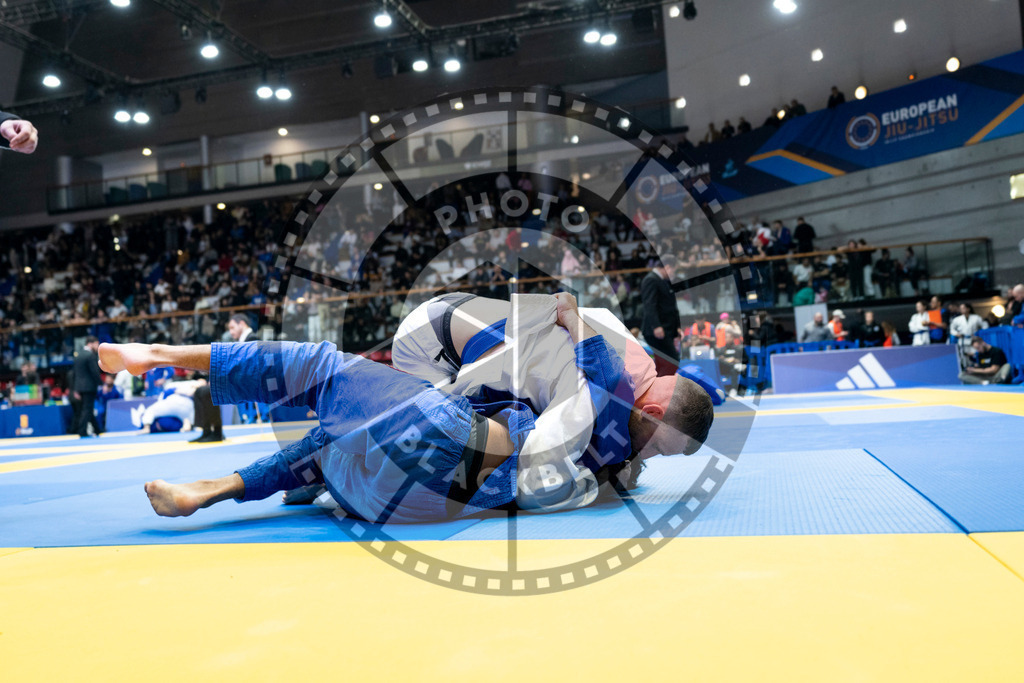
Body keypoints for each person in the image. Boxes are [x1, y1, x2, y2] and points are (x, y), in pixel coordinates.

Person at [99, 295, 712, 522]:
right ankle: (217, 487)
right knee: (340, 440)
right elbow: (612, 455)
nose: (649, 453)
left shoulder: (609, 398)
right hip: (391, 504)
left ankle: (161, 353)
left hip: (442, 442)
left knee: (319, 368)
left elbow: (601, 366)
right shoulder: (611, 468)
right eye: (658, 448)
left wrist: (573, 315)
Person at [640, 255, 682, 368]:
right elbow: (650, 304)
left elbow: (670, 306)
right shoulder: (651, 280)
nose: (674, 273)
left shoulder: (662, 281)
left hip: (665, 329)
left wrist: (676, 327)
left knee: (670, 362)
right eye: (674, 270)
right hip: (656, 331)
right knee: (671, 362)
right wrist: (656, 326)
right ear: (668, 267)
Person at [72, 335, 103, 438]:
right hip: (89, 386)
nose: (97, 347)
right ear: (91, 343)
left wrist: (75, 389)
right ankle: (82, 430)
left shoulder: (78, 355)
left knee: (87, 409)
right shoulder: (90, 356)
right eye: (97, 344)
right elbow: (95, 372)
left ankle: (97, 429)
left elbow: (75, 374)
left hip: (80, 387)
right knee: (87, 409)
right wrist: (101, 384)